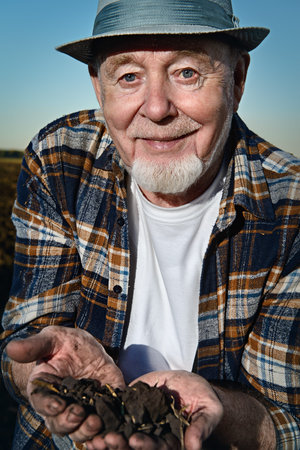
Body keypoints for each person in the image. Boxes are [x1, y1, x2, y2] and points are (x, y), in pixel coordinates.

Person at [1, 0, 299, 449]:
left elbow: (286, 421)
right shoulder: (59, 158)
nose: (157, 109)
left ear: (237, 79)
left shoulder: (290, 207)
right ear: (100, 90)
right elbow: (22, 341)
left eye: (186, 73)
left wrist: (219, 412)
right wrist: (37, 370)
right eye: (128, 77)